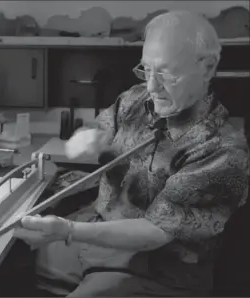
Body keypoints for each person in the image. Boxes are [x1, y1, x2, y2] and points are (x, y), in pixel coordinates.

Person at [13, 10, 249, 297]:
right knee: (8, 261)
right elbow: (100, 129)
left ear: (207, 68)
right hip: (98, 237)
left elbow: (153, 233)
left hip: (156, 270)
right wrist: (88, 138)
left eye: (166, 73)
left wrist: (68, 230)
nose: (152, 86)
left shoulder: (222, 149)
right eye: (146, 69)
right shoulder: (135, 99)